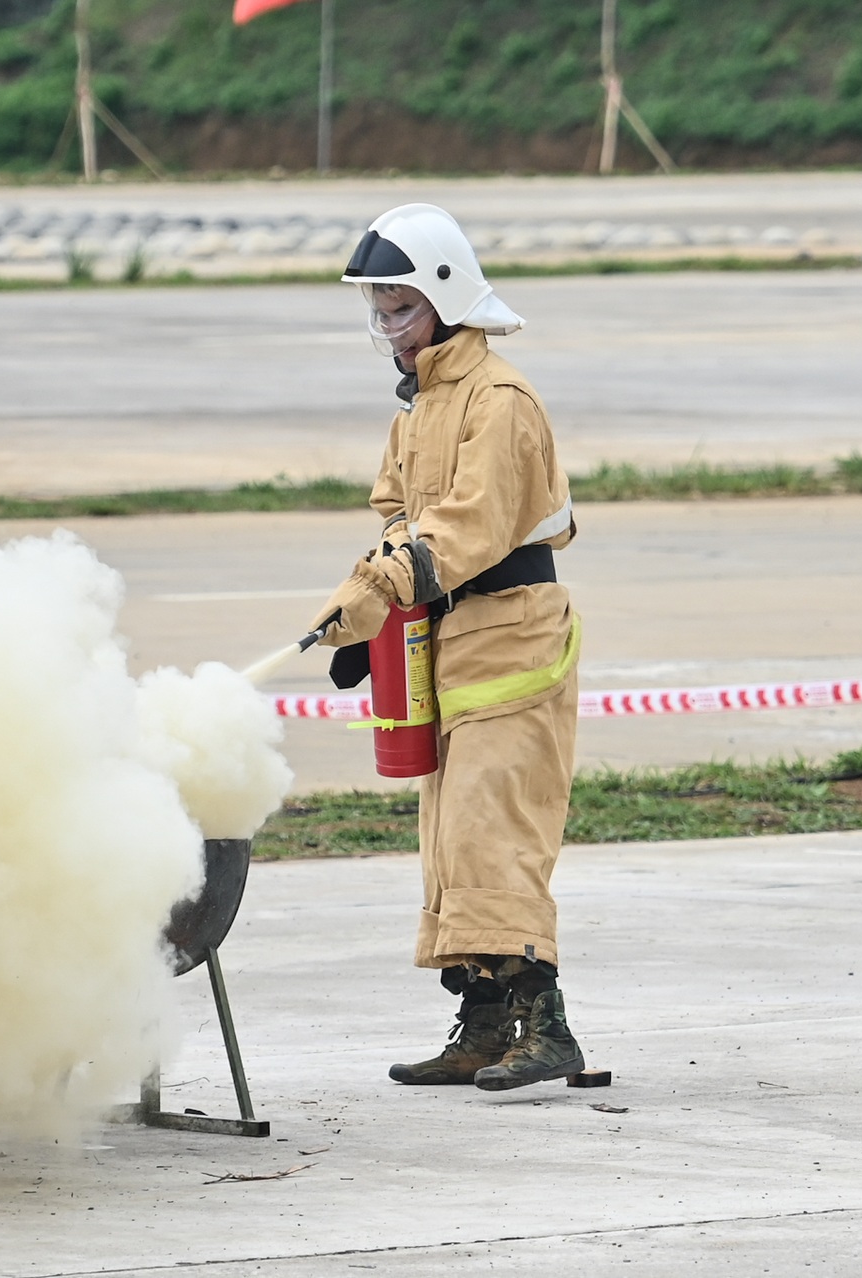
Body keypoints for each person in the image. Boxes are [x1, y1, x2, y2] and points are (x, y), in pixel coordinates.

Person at [309, 204, 585, 1091]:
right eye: (376, 312)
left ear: (445, 297)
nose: (386, 328)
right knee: (450, 841)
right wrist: (373, 616)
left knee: (492, 834)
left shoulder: (499, 401)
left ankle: (548, 1030)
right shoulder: (422, 407)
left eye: (400, 310)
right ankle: (484, 1022)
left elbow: (464, 528)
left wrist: (382, 588)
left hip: (514, 642)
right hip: (452, 643)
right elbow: (399, 514)